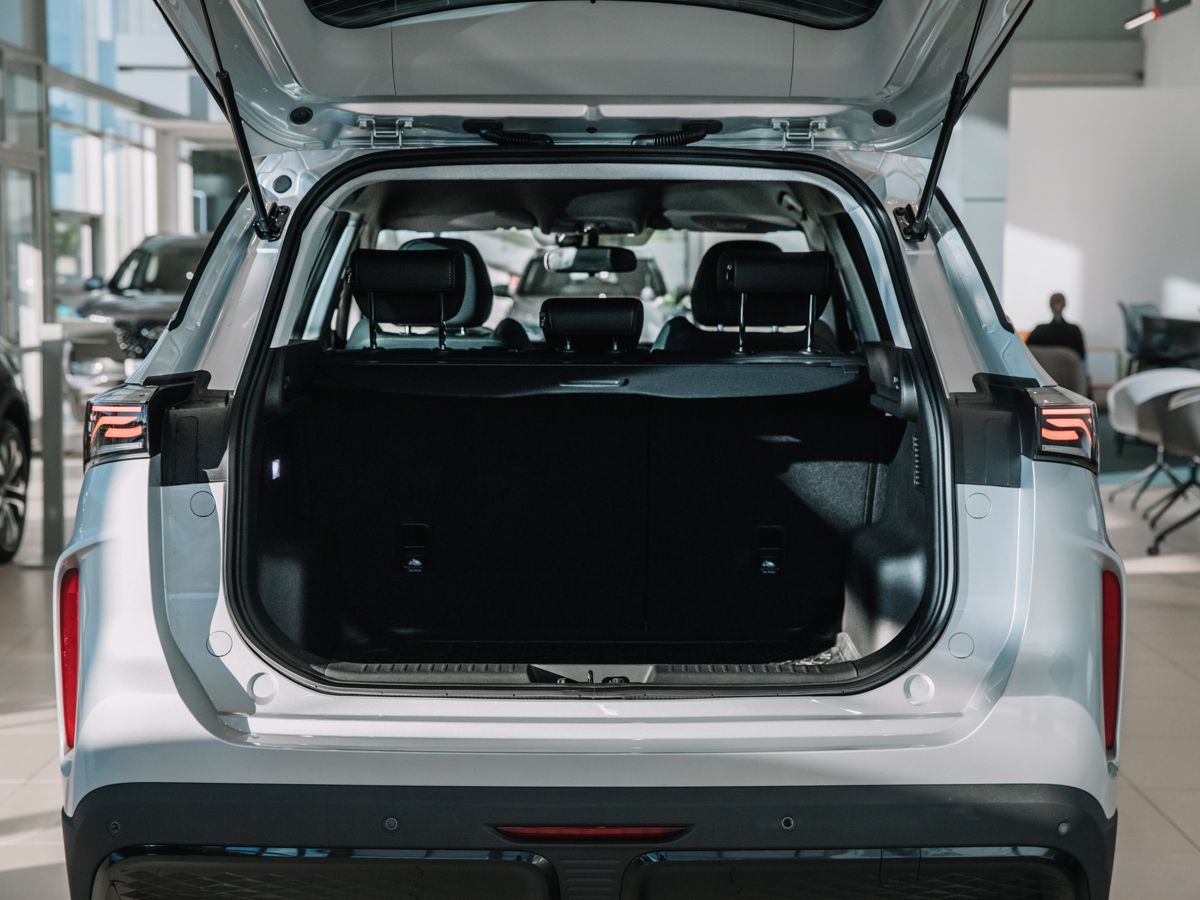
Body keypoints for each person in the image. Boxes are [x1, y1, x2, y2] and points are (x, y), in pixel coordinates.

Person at [1027, 292, 1086, 361]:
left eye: (1059, 301)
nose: (1057, 305)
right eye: (1055, 301)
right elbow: (1081, 356)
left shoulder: (1039, 331)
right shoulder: (1074, 331)